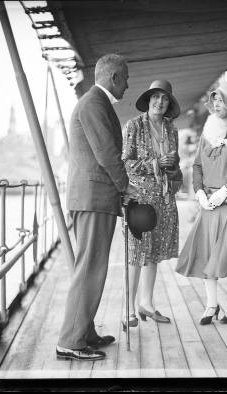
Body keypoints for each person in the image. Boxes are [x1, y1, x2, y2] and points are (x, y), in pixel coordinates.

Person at [56, 54, 137, 361]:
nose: (128, 85)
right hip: (93, 198)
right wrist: (125, 186)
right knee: (90, 269)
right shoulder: (94, 103)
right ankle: (71, 341)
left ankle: (84, 332)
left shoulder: (95, 103)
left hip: (93, 198)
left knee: (90, 267)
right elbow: (106, 153)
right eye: (126, 78)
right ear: (114, 76)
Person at [176, 82, 227, 325]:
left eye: (222, 100)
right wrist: (199, 193)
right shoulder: (209, 128)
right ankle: (211, 305)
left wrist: (226, 191)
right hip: (208, 204)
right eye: (214, 100)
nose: (217, 104)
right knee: (207, 256)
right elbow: (197, 165)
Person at [121, 80, 183, 328]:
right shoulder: (134, 125)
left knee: (154, 251)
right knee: (136, 252)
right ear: (148, 100)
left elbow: (175, 164)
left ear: (169, 103)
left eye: (164, 98)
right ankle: (127, 309)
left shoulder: (171, 128)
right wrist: (155, 163)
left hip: (164, 197)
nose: (159, 102)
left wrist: (173, 164)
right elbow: (125, 163)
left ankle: (146, 303)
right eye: (155, 97)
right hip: (139, 197)